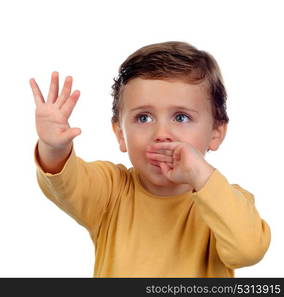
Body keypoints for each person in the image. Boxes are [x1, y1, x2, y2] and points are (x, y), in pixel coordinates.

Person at [31, 41, 271, 277]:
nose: (161, 135)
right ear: (120, 134)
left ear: (215, 134)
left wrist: (200, 174)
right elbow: (65, 182)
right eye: (144, 118)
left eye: (181, 117)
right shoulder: (110, 190)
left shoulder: (226, 201)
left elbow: (248, 251)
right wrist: (53, 147)